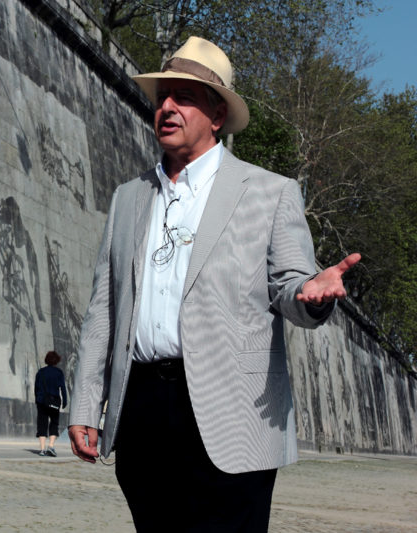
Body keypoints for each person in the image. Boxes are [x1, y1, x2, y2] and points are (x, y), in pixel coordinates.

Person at [68, 36, 361, 532]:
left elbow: (291, 285)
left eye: (183, 97)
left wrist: (312, 295)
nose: (166, 107)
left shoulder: (270, 192)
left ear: (218, 115)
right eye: (161, 96)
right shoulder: (128, 197)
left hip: (232, 410)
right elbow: (105, 308)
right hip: (141, 408)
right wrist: (84, 402)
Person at [35, 350, 68, 457]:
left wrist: (38, 400)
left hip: (42, 402)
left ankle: (42, 450)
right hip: (54, 402)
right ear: (56, 361)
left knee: (42, 424)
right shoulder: (59, 373)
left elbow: (36, 388)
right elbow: (63, 388)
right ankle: (51, 446)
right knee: (54, 424)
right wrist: (65, 401)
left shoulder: (40, 372)